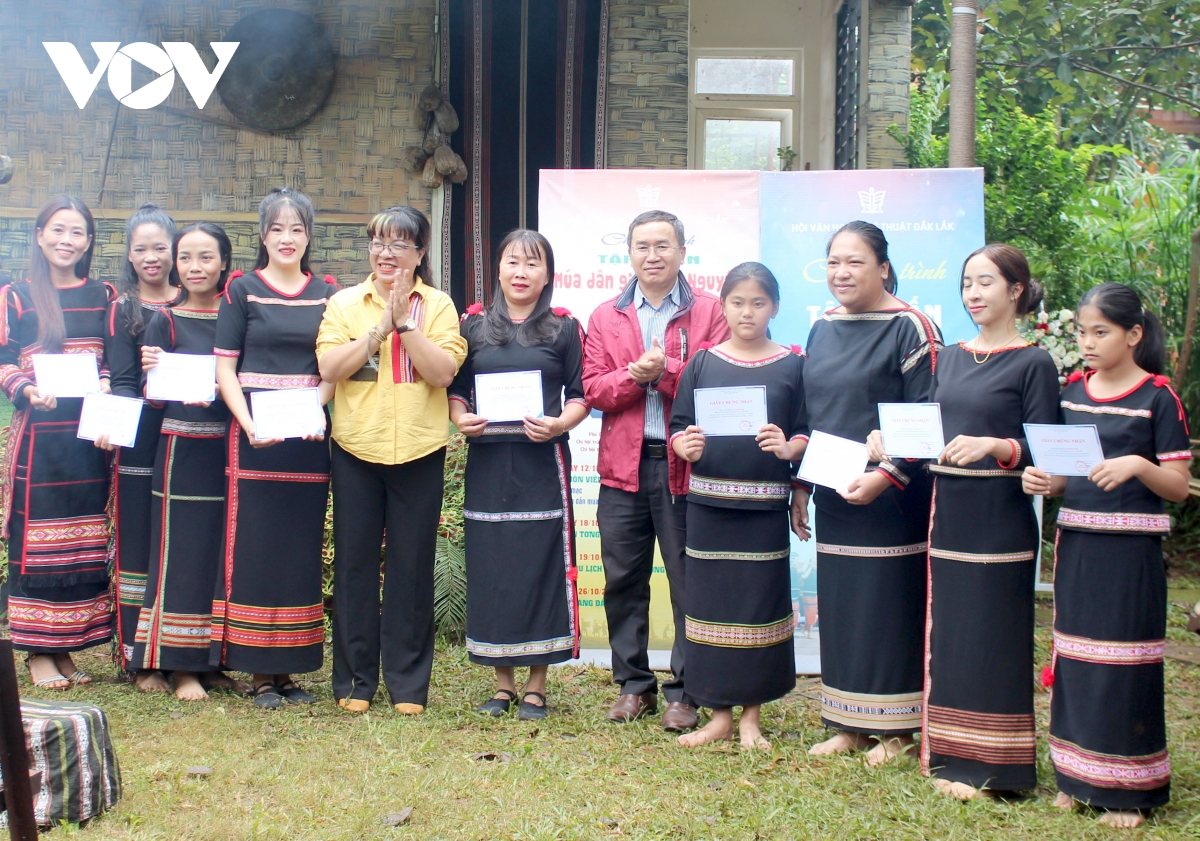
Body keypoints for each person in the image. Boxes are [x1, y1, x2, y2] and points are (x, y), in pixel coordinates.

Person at [868, 244, 1059, 797]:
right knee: (949, 637)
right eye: (967, 283)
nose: (973, 294)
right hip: (946, 515)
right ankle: (950, 758)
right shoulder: (947, 357)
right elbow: (926, 431)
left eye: (985, 283)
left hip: (1000, 519)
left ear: (1015, 291)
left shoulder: (1034, 361)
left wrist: (997, 444)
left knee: (993, 638)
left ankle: (996, 768)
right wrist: (886, 440)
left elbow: (1045, 447)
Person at [1023, 283, 1190, 829]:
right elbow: (1070, 478)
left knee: (1125, 664)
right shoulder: (1072, 393)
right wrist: (1047, 483)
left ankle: (1127, 790)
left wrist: (1138, 467)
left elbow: (1178, 486)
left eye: (1101, 332)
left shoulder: (1159, 398)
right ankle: (1075, 778)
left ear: (1133, 334)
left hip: (1130, 556)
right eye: (1081, 332)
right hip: (1078, 547)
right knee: (1075, 659)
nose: (1088, 343)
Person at [582, 209, 730, 732]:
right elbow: (594, 389)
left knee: (689, 581)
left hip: (683, 468)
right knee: (623, 580)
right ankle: (633, 685)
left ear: (683, 252)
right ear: (629, 254)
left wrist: (665, 371)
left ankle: (686, 691)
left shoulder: (712, 310)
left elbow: (716, 382)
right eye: (642, 246)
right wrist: (633, 375)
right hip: (622, 467)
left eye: (663, 245)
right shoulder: (606, 315)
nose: (653, 255)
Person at [802, 220, 942, 765]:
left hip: (892, 498)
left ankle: (900, 732)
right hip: (836, 490)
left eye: (855, 262)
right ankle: (848, 723)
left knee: (887, 605)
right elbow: (814, 415)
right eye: (833, 261)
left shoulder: (912, 328)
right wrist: (802, 486)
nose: (841, 272)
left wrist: (885, 477)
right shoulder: (823, 328)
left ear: (883, 267)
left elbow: (927, 420)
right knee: (842, 605)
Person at [316, 206, 465, 715]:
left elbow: (442, 373)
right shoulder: (344, 303)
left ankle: (407, 684)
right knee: (355, 565)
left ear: (421, 253)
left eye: (400, 244)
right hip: (357, 447)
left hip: (421, 448)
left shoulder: (439, 305)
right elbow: (330, 367)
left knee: (412, 567)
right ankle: (356, 682)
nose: (386, 253)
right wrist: (378, 330)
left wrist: (406, 324)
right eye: (378, 242)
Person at [449, 230, 588, 720]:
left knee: (539, 565)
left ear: (547, 274)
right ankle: (502, 684)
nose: (522, 272)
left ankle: (536, 685)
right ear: (499, 270)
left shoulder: (564, 328)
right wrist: (459, 416)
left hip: (541, 463)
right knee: (494, 568)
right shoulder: (473, 327)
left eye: (533, 264)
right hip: (489, 462)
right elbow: (459, 388)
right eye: (513, 262)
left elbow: (581, 393)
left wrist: (559, 424)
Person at [668, 262, 808, 749]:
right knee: (709, 610)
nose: (747, 312)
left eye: (758, 302)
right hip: (708, 509)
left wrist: (792, 449)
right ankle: (719, 715)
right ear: (723, 305)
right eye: (737, 302)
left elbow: (807, 427)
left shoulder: (794, 364)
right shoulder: (703, 363)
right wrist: (683, 445)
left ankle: (752, 717)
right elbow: (680, 425)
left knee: (758, 610)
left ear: (774, 307)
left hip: (764, 512)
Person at [213, 187, 337, 709]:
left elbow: (334, 366)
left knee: (299, 548)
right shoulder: (241, 290)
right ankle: (261, 673)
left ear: (309, 236)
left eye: (297, 228)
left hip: (308, 442)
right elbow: (225, 367)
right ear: (262, 235)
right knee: (257, 550)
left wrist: (318, 411)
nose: (287, 238)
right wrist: (248, 425)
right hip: (256, 440)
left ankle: (290, 669)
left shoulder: (329, 293)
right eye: (277, 229)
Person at [0, 196, 114, 688]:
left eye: (77, 233)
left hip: (88, 437)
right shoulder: (16, 296)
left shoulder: (104, 294)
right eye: (58, 230)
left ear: (88, 242)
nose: (67, 241)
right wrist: (25, 389)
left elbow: (111, 357)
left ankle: (65, 647)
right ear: (40, 235)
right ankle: (37, 651)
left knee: (81, 540)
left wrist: (108, 381)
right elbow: (2, 361)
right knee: (38, 542)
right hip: (40, 443)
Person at [133, 222, 246, 701]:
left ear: (224, 262)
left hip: (230, 448)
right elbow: (152, 400)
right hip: (180, 449)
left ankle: (215, 660)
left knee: (222, 556)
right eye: (185, 258)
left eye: (205, 257)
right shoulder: (167, 320)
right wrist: (155, 377)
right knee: (180, 554)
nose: (194, 267)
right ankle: (180, 666)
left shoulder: (237, 315)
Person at [105, 202, 179, 691]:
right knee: (140, 542)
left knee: (188, 543)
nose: (151, 257)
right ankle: (140, 656)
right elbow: (124, 383)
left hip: (195, 437)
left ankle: (186, 650)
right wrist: (115, 431)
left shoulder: (205, 299)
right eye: (141, 249)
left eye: (159, 247)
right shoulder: (124, 309)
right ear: (129, 256)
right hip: (141, 440)